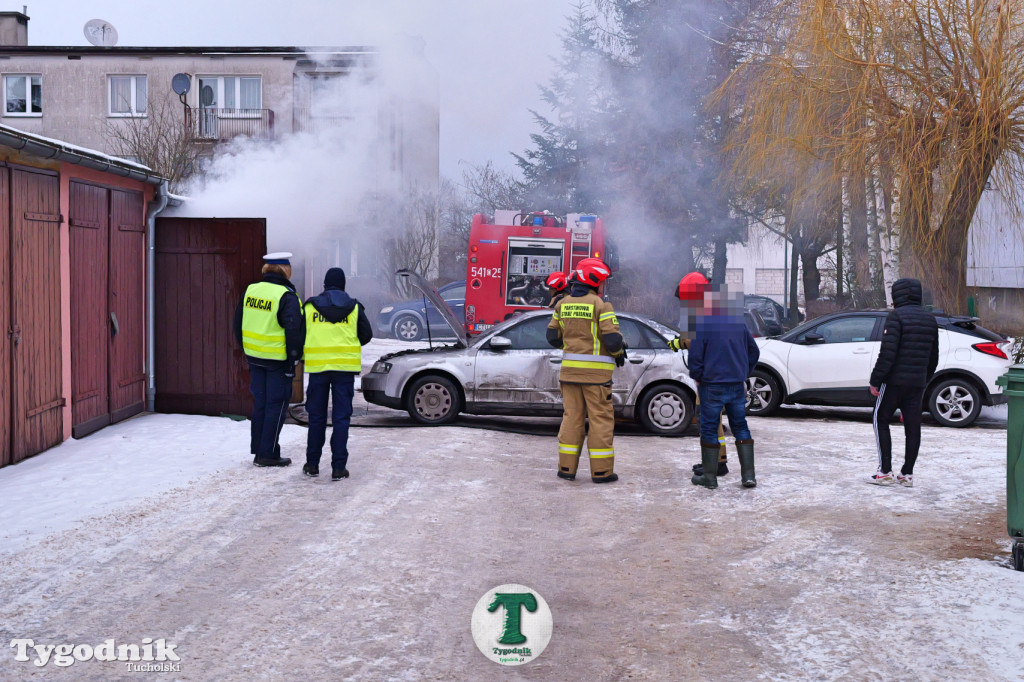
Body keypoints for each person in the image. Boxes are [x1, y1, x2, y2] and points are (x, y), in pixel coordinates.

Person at [546, 258, 626, 483]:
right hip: (597, 378)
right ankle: (601, 472)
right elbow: (612, 340)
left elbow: (552, 337)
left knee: (572, 419)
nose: (603, 285)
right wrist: (619, 351)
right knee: (600, 421)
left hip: (569, 374)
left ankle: (566, 468)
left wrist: (572, 345)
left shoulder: (562, 304)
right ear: (594, 281)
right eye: (602, 281)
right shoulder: (601, 305)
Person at [301, 267, 373, 481]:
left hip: (318, 369)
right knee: (341, 418)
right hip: (344, 369)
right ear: (343, 285)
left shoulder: (310, 307)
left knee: (316, 417)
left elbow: (299, 333)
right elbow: (366, 335)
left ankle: (312, 464)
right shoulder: (354, 307)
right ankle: (339, 468)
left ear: (325, 284)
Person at [234, 252, 304, 467]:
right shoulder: (287, 296)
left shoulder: (251, 290)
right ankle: (268, 454)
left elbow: (238, 324)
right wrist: (294, 359)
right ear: (285, 270)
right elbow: (294, 331)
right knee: (276, 405)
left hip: (255, 358)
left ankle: (259, 450)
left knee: (261, 404)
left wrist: (247, 349)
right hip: (277, 361)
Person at [868, 278, 939, 487]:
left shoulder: (896, 316)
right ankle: (907, 474)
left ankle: (885, 471)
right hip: (917, 383)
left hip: (893, 382)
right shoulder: (930, 319)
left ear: (897, 295)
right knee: (913, 426)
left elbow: (887, 354)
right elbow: (933, 356)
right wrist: (924, 379)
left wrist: (875, 380)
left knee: (880, 419)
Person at [688, 286, 760, 489]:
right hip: (736, 385)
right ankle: (748, 476)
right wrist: (744, 371)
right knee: (740, 427)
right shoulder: (739, 324)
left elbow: (695, 357)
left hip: (711, 385)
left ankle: (709, 478)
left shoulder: (703, 325)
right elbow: (753, 351)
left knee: (709, 428)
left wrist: (698, 377)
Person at [667, 272, 729, 476]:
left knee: (707, 419)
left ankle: (715, 464)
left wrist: (678, 343)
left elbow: (694, 342)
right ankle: (718, 460)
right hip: (722, 372)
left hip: (709, 376)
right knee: (713, 419)